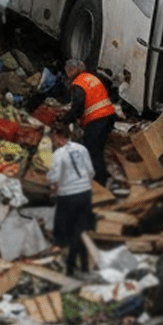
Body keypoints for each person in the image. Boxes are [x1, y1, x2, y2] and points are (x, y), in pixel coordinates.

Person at [47, 124, 95, 276]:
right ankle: (85, 265)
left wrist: (53, 185)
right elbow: (90, 172)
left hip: (68, 196)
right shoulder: (82, 149)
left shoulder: (59, 154)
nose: (54, 142)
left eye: (54, 139)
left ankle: (70, 267)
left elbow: (53, 178)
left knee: (67, 230)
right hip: (85, 194)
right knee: (80, 230)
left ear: (59, 137)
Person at [60, 59, 114, 187]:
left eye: (68, 70)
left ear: (73, 70)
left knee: (92, 150)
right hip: (109, 115)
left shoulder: (78, 83)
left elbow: (78, 107)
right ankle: (104, 176)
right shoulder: (90, 77)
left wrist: (66, 120)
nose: (67, 73)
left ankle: (100, 182)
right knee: (98, 149)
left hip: (97, 119)